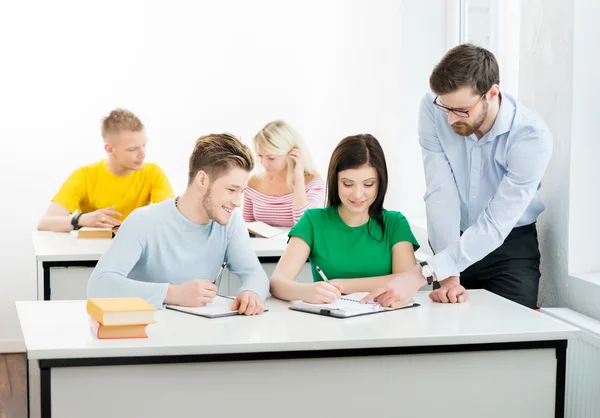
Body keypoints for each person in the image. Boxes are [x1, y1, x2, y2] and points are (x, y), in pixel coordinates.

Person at [363, 44, 552, 309]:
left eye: (461, 111)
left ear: (492, 93)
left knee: (511, 337)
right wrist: (449, 275)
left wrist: (423, 273)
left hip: (510, 246)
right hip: (452, 237)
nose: (451, 120)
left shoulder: (530, 137)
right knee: (452, 333)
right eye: (446, 108)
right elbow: (441, 192)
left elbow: (496, 225)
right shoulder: (432, 108)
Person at [87, 133, 269, 315]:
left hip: (203, 336)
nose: (238, 202)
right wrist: (172, 293)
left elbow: (255, 274)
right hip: (147, 334)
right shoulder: (143, 221)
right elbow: (99, 286)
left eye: (241, 192)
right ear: (202, 180)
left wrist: (251, 292)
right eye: (231, 190)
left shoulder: (231, 222)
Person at [270, 134, 420, 303]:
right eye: (348, 184)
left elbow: (405, 280)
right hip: (330, 323)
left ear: (380, 181)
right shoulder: (313, 221)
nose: (357, 194)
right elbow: (278, 283)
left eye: (368, 184)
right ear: (335, 181)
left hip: (386, 320)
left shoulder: (395, 223)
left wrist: (340, 285)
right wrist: (305, 292)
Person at [37, 108, 173, 232]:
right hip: (92, 255)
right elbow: (44, 224)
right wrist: (83, 219)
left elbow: (171, 219)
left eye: (144, 145)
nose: (142, 153)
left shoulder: (153, 173)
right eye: (133, 149)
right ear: (109, 149)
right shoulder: (84, 176)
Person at [243, 120, 325, 227]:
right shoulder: (254, 182)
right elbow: (246, 227)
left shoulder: (313, 183)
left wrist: (298, 179)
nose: (264, 163)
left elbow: (307, 225)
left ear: (292, 153)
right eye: (260, 156)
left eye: (271, 158)